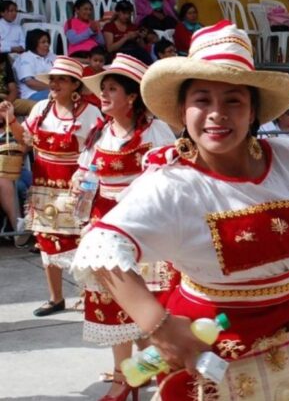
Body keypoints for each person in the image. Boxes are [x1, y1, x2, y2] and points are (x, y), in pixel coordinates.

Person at [70, 21, 289, 400]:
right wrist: (159, 325)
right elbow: (102, 248)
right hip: (211, 341)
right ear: (182, 110)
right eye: (202, 100)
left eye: (233, 101)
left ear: (253, 110)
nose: (216, 113)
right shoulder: (172, 184)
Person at [75, 54, 176, 401]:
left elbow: (170, 178)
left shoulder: (155, 132)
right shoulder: (98, 134)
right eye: (102, 89)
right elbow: (86, 175)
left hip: (143, 229)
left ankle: (142, 373)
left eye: (111, 89)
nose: (103, 95)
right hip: (105, 230)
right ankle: (122, 379)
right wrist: (79, 185)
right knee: (112, 309)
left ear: (131, 97)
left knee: (148, 308)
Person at [0, 57, 103, 317]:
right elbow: (25, 140)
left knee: (84, 244)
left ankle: (89, 296)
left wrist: (87, 185)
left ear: (75, 85)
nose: (55, 84)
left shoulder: (91, 114)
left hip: (75, 189)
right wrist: (11, 119)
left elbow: (97, 153)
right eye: (53, 80)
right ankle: (56, 298)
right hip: (44, 186)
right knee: (47, 244)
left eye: (61, 80)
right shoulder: (41, 109)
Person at [102, 0, 153, 65]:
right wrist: (126, 38)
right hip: (120, 54)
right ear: (117, 12)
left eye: (129, 14)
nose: (127, 16)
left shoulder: (133, 27)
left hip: (135, 52)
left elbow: (142, 47)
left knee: (143, 54)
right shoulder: (109, 26)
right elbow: (110, 49)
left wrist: (141, 37)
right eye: (124, 13)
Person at [13, 29, 56, 105]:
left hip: (51, 90)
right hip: (32, 94)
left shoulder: (49, 55)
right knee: (62, 96)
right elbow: (30, 82)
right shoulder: (26, 57)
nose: (47, 44)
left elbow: (66, 59)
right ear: (34, 43)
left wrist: (84, 61)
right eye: (43, 42)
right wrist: (53, 88)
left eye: (48, 42)